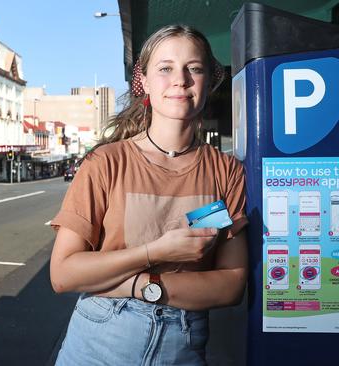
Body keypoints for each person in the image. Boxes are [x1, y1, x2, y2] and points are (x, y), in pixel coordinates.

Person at [50, 24, 248, 365]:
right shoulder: (105, 163)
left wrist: (138, 283)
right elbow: (64, 274)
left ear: (209, 81)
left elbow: (231, 285)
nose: (180, 80)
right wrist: (155, 252)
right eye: (166, 68)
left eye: (194, 68)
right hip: (99, 341)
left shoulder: (226, 171)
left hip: (183, 346)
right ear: (143, 81)